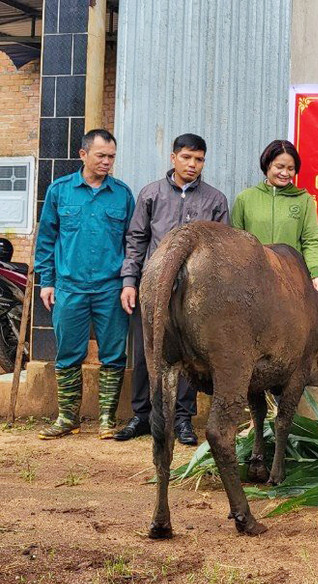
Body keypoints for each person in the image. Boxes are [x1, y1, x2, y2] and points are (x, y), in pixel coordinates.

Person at [116, 133, 229, 445]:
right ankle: (141, 415)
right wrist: (129, 283)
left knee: (190, 358)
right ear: (173, 158)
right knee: (145, 353)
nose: (192, 165)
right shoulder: (151, 194)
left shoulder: (215, 200)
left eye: (199, 159)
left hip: (195, 296)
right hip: (153, 289)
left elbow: (221, 251)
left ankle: (182, 419)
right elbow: (136, 239)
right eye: (187, 158)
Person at [34, 129, 135, 439]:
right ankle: (67, 417)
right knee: (67, 353)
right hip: (69, 286)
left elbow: (132, 242)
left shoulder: (122, 194)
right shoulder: (60, 191)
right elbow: (47, 239)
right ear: (83, 155)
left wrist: (128, 282)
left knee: (114, 354)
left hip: (110, 288)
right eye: (101, 156)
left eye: (112, 157)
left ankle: (106, 419)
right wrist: (46, 281)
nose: (107, 162)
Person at [231, 140, 318, 294]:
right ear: (267, 165)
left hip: (291, 277)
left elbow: (311, 241)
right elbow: (236, 242)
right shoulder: (245, 199)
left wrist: (315, 274)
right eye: (279, 167)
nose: (285, 173)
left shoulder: (303, 199)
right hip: (253, 278)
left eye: (291, 168)